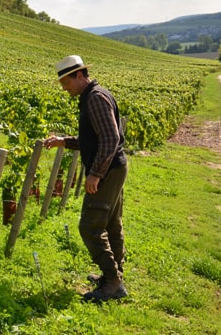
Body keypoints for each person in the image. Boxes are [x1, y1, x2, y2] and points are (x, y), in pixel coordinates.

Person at [43, 55, 128, 302]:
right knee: (111, 224)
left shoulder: (96, 98)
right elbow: (95, 140)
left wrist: (95, 174)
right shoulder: (93, 96)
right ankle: (114, 275)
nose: (64, 87)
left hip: (108, 170)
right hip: (114, 167)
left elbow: (111, 139)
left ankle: (113, 283)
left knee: (90, 226)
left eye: (66, 81)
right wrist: (64, 141)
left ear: (80, 75)